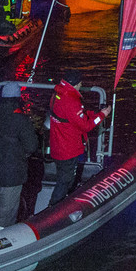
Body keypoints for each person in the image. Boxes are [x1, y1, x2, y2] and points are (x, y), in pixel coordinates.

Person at [0, 83, 40, 232]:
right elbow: (31, 145)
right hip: (13, 173)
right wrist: (20, 154)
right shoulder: (21, 120)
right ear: (18, 98)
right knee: (7, 211)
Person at [48, 72, 98, 204]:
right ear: (75, 84)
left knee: (63, 177)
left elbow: (69, 117)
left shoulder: (57, 95)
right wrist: (102, 115)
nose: (81, 85)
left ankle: (59, 205)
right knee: (65, 181)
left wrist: (90, 113)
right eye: (80, 83)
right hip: (68, 149)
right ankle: (54, 209)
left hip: (57, 145)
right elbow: (86, 126)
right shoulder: (71, 100)